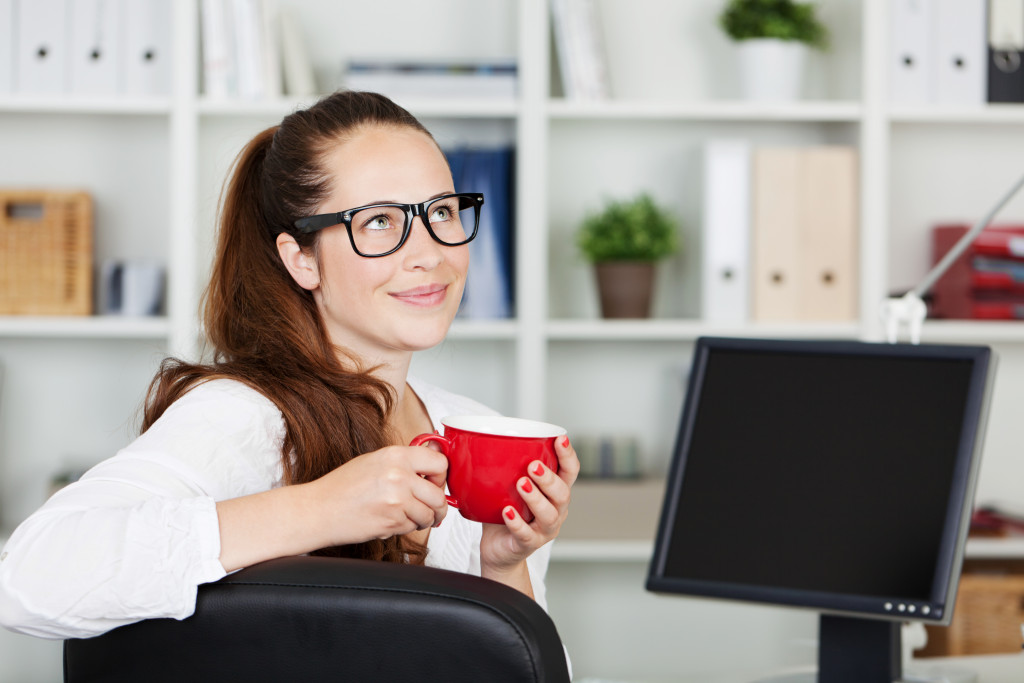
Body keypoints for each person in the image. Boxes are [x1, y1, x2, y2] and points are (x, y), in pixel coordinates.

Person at [0, 90, 580, 640]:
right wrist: (320, 508)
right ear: (301, 260)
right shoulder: (246, 418)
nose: (429, 252)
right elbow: (27, 579)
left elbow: (520, 667)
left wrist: (503, 571)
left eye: (443, 212)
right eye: (379, 221)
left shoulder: (475, 430)